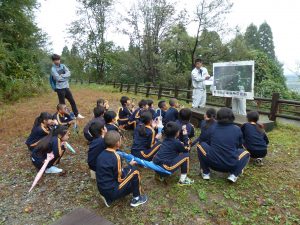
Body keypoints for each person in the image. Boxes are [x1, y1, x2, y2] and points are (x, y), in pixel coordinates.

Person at [197, 108, 250, 183]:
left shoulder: (213, 128)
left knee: (201, 145)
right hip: (230, 165)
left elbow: (208, 143)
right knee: (246, 153)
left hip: (212, 163)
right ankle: (234, 175)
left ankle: (205, 173)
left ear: (217, 117)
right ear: (232, 117)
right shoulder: (237, 129)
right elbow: (239, 145)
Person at [96, 131, 148, 207]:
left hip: (102, 189)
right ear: (117, 143)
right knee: (135, 171)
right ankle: (137, 198)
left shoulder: (101, 154)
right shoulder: (116, 157)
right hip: (111, 191)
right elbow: (120, 178)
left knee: (131, 184)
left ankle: (108, 198)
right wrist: (130, 166)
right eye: (120, 139)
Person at [50, 54, 84, 119]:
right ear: (53, 61)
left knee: (72, 101)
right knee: (62, 104)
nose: (57, 61)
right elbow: (57, 78)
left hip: (66, 87)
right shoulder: (53, 69)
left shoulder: (63, 66)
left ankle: (77, 114)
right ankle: (64, 117)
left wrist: (62, 76)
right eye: (55, 60)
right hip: (59, 89)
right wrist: (65, 77)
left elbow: (69, 73)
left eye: (58, 59)